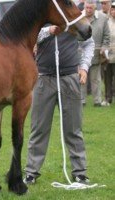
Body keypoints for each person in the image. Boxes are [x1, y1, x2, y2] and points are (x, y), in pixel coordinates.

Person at [23, 25, 95, 185]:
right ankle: (31, 173)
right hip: (43, 78)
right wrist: (48, 31)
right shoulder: (41, 16)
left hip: (70, 78)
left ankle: (80, 173)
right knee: (38, 128)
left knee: (74, 129)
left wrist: (84, 67)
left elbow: (89, 42)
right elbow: (29, 37)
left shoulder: (74, 19)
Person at [81, 0, 110, 107]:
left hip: (96, 54)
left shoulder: (103, 18)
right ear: (84, 7)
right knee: (81, 78)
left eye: (91, 8)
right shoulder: (79, 16)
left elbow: (107, 36)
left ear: (95, 8)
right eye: (87, 8)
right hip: (81, 54)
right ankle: (82, 100)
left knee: (96, 79)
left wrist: (104, 48)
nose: (88, 10)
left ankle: (97, 101)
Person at [104, 2, 115, 104]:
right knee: (107, 78)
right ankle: (108, 98)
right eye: (112, 9)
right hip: (107, 56)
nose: (114, 11)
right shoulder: (106, 21)